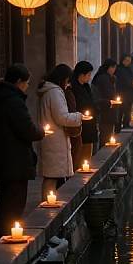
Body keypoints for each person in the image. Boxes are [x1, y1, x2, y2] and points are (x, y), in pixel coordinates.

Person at [0, 64, 45, 240]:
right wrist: (40, 131)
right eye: (27, 83)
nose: (27, 87)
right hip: (15, 159)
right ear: (19, 81)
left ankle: (3, 232)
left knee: (5, 198)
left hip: (2, 156)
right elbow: (27, 129)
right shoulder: (13, 101)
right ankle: (8, 234)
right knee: (14, 200)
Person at [38, 64, 83, 198]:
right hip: (55, 140)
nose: (68, 84)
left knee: (51, 176)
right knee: (52, 176)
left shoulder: (48, 91)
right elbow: (61, 117)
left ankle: (47, 202)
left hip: (51, 138)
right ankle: (47, 206)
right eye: (67, 80)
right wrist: (79, 116)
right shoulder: (55, 92)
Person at [71, 61, 97, 169]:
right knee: (79, 155)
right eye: (89, 74)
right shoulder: (73, 88)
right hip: (80, 125)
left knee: (88, 152)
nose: (90, 77)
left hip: (90, 124)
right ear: (81, 75)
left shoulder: (86, 87)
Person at [92, 59, 118, 146]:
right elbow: (107, 93)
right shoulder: (103, 78)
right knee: (105, 133)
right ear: (109, 67)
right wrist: (112, 101)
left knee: (107, 132)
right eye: (113, 68)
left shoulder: (108, 78)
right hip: (105, 110)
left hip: (108, 108)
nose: (114, 70)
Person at [115, 54, 133, 130]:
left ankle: (126, 124)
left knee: (128, 110)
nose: (128, 62)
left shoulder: (128, 69)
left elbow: (131, 79)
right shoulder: (119, 69)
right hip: (122, 92)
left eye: (129, 61)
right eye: (127, 61)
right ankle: (118, 126)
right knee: (121, 110)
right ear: (123, 60)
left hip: (129, 92)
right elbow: (122, 81)